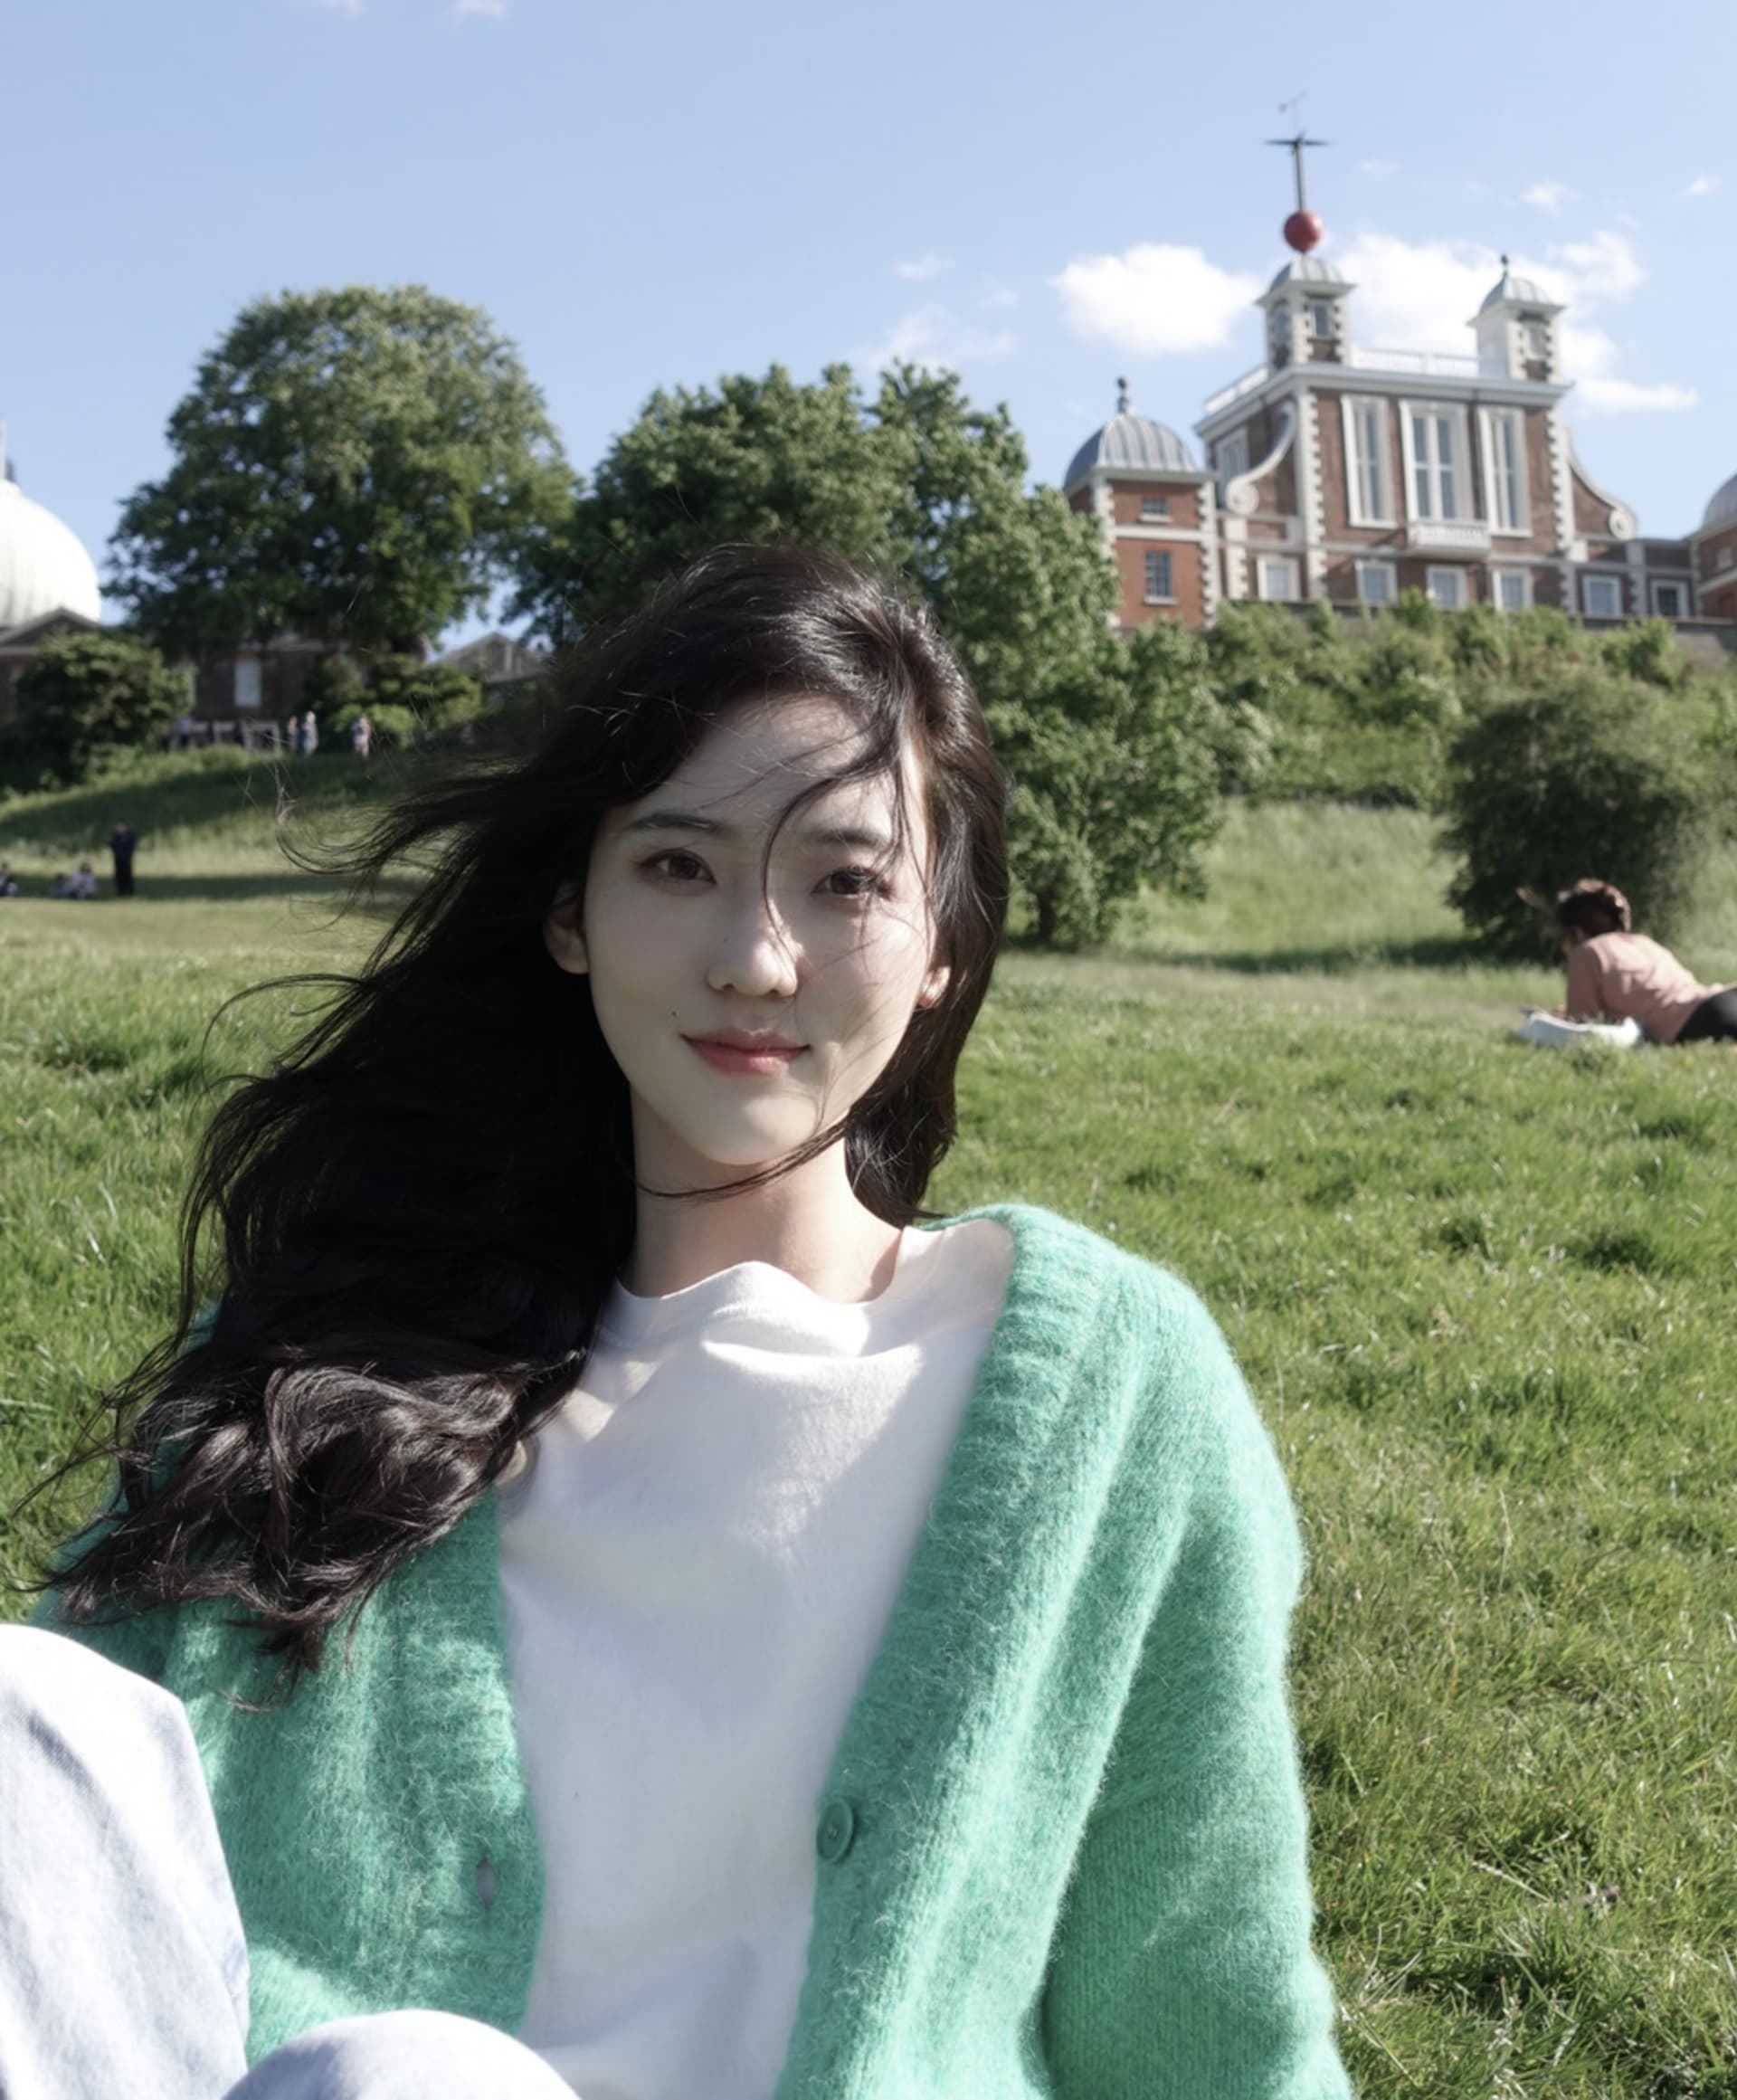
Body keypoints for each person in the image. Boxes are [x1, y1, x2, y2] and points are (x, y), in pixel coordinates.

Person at [14, 549, 1350, 2100]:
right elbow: (73, 1887)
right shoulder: (320, 1356)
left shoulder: (1108, 1391)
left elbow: (1208, 1997)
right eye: (677, 864)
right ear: (569, 915)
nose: (754, 958)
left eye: (844, 880)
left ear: (943, 948)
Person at [1553, 878, 1737, 1043]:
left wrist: (1551, 1021)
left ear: (1577, 932)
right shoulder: (1642, 942)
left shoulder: (1587, 952)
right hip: (1721, 998)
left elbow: (1582, 1027)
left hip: (1700, 1020)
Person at [109, 821, 139, 898]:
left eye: (121, 826)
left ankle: (130, 892)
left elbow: (132, 846)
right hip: (118, 859)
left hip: (127, 859)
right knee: (119, 876)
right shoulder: (115, 836)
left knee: (128, 875)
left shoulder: (130, 836)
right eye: (118, 827)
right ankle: (120, 892)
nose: (120, 828)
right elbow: (111, 845)